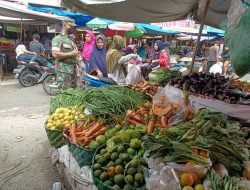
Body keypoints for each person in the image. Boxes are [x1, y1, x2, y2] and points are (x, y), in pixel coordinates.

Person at [51, 20, 79, 89]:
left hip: (73, 70)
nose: (73, 28)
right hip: (64, 71)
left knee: (72, 93)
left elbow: (75, 54)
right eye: (71, 26)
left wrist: (78, 65)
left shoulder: (70, 40)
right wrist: (71, 54)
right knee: (65, 94)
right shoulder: (58, 39)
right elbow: (55, 54)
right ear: (65, 25)